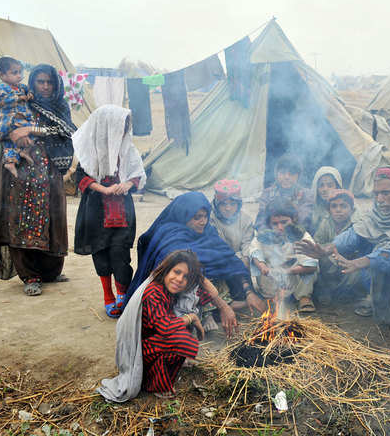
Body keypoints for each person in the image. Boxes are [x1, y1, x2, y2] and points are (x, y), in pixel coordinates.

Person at [296, 166, 390, 330]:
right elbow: (354, 234)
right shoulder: (375, 215)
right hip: (380, 285)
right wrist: (326, 249)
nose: (380, 199)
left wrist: (361, 262)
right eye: (376, 194)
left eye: (386, 193)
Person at [0, 63, 76, 296]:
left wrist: (32, 130)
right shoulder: (21, 101)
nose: (44, 86)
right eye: (40, 81)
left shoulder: (60, 106)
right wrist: (13, 133)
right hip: (21, 175)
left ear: (55, 84)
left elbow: (69, 130)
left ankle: (51, 271)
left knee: (52, 220)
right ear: (32, 83)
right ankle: (30, 275)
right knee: (21, 221)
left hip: (50, 172)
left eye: (49, 82)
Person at [125, 192, 265, 334]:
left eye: (205, 216)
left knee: (223, 265)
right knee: (192, 275)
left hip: (208, 288)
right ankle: (205, 313)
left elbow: (229, 260)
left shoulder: (207, 232)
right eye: (197, 217)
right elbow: (191, 273)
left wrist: (248, 292)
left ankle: (217, 307)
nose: (203, 221)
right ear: (183, 216)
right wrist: (223, 306)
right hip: (177, 288)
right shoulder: (170, 235)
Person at [98, 250, 211, 401]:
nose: (179, 279)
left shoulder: (166, 289)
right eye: (176, 272)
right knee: (179, 337)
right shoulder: (154, 292)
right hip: (140, 350)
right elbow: (165, 327)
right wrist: (192, 318)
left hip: (151, 342)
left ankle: (161, 374)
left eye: (186, 277)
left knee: (182, 328)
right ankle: (153, 383)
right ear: (166, 270)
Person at [72, 105, 146, 318]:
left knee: (120, 255)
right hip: (95, 212)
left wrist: (128, 185)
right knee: (101, 254)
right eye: (118, 128)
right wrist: (103, 188)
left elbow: (137, 174)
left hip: (122, 213)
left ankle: (122, 295)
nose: (122, 133)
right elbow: (82, 178)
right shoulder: (90, 148)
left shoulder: (127, 149)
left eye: (125, 128)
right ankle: (107, 295)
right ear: (105, 128)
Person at [249, 198, 318, 313]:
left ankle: (303, 297)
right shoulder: (264, 236)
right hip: (272, 280)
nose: (280, 228)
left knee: (311, 262)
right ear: (269, 224)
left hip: (294, 279)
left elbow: (312, 265)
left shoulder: (301, 236)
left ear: (293, 219)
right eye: (275, 224)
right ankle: (272, 298)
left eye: (284, 222)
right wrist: (262, 266)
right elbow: (254, 252)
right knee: (257, 261)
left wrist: (286, 271)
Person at [312, 189, 360, 306]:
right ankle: (325, 291)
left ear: (351, 210)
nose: (338, 210)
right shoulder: (325, 223)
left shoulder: (356, 225)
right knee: (317, 262)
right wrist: (331, 252)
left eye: (343, 206)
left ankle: (343, 293)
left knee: (355, 274)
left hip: (348, 260)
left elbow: (359, 248)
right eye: (334, 206)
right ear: (329, 210)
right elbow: (317, 243)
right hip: (329, 260)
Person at [0, 56, 34, 178]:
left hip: (18, 121)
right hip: (8, 121)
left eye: (20, 72)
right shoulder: (2, 88)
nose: (19, 75)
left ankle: (11, 161)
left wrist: (30, 94)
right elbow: (1, 100)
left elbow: (29, 90)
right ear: (2, 75)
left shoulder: (21, 87)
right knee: (30, 129)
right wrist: (18, 98)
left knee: (11, 143)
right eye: (14, 73)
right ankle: (21, 152)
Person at [255, 154, 314, 233]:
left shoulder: (306, 194)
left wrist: (293, 231)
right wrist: (266, 233)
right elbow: (261, 219)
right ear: (276, 174)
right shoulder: (267, 194)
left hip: (297, 235)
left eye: (291, 174)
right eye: (282, 173)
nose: (286, 177)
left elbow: (304, 217)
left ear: (298, 176)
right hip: (273, 235)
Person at [209, 179, 254, 267]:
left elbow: (247, 245)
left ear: (238, 204)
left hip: (240, 261)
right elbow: (214, 246)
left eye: (232, 204)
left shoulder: (246, 220)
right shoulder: (209, 219)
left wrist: (245, 257)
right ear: (217, 204)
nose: (228, 208)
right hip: (218, 261)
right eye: (223, 204)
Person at [309, 166, 343, 236]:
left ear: (337, 187)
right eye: (321, 185)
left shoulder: (347, 206)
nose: (325, 189)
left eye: (330, 185)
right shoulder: (311, 209)